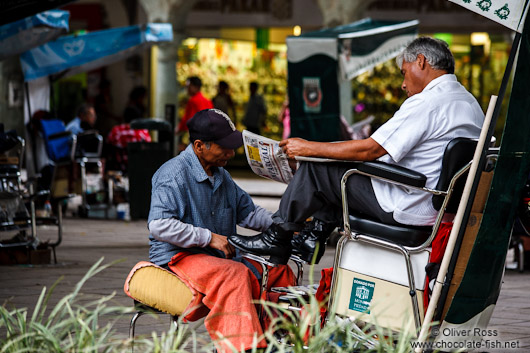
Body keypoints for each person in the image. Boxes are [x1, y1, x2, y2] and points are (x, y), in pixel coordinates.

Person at [228, 37, 485, 265]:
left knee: (318, 167)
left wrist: (308, 148)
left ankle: (278, 236)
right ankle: (312, 236)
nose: (404, 84)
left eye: (404, 73)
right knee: (333, 169)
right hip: (433, 204)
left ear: (421, 61)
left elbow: (370, 149)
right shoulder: (469, 103)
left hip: (409, 204)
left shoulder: (428, 102)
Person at [148, 108, 295, 353]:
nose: (231, 152)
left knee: (277, 270)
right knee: (234, 274)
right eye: (223, 147)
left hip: (215, 258)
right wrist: (208, 237)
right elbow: (159, 225)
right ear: (199, 146)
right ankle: (243, 348)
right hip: (178, 257)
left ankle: (285, 339)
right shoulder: (171, 175)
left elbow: (249, 213)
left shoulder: (221, 175)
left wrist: (287, 224)